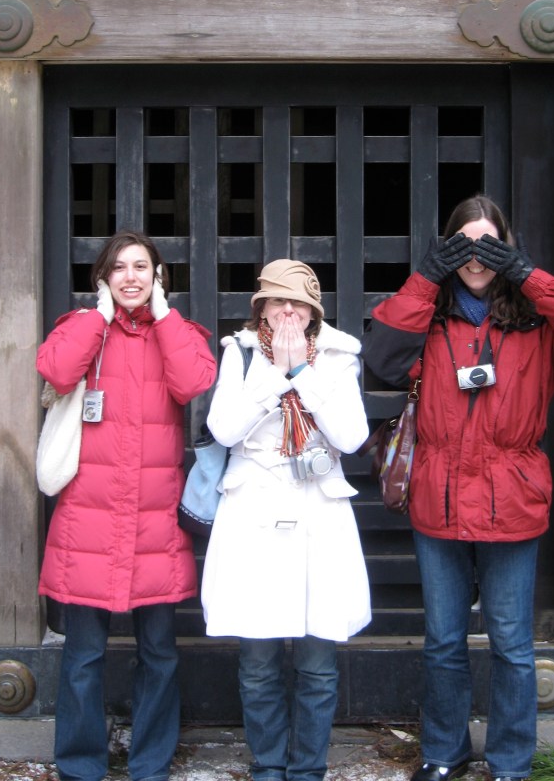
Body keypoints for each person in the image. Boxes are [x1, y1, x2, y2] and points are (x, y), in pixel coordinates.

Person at [361, 195, 554, 781]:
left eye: (490, 245)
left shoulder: (541, 326)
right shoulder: (429, 319)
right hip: (439, 497)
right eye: (463, 244)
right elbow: (380, 358)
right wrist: (426, 277)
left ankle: (511, 761)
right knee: (443, 640)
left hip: (512, 497)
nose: (476, 257)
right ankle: (443, 751)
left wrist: (528, 275)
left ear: (508, 248)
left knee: (511, 641)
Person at [37, 229, 217, 781]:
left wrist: (164, 316)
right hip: (87, 521)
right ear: (103, 278)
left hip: (154, 520)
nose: (131, 277)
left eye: (142, 267)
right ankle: (79, 766)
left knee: (159, 652)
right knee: (83, 655)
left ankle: (151, 765)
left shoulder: (177, 332)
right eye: (119, 268)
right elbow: (56, 370)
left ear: (158, 277)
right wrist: (97, 316)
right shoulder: (81, 327)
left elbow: (194, 382)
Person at [201, 259, 372, 781]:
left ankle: (308, 768)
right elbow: (223, 429)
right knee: (257, 663)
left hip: (318, 510)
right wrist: (274, 375)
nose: (288, 311)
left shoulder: (339, 356)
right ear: (262, 309)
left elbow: (351, 437)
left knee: (317, 663)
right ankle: (268, 765)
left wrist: (302, 374)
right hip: (253, 510)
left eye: (298, 302)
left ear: (314, 311)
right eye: (278, 301)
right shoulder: (240, 352)